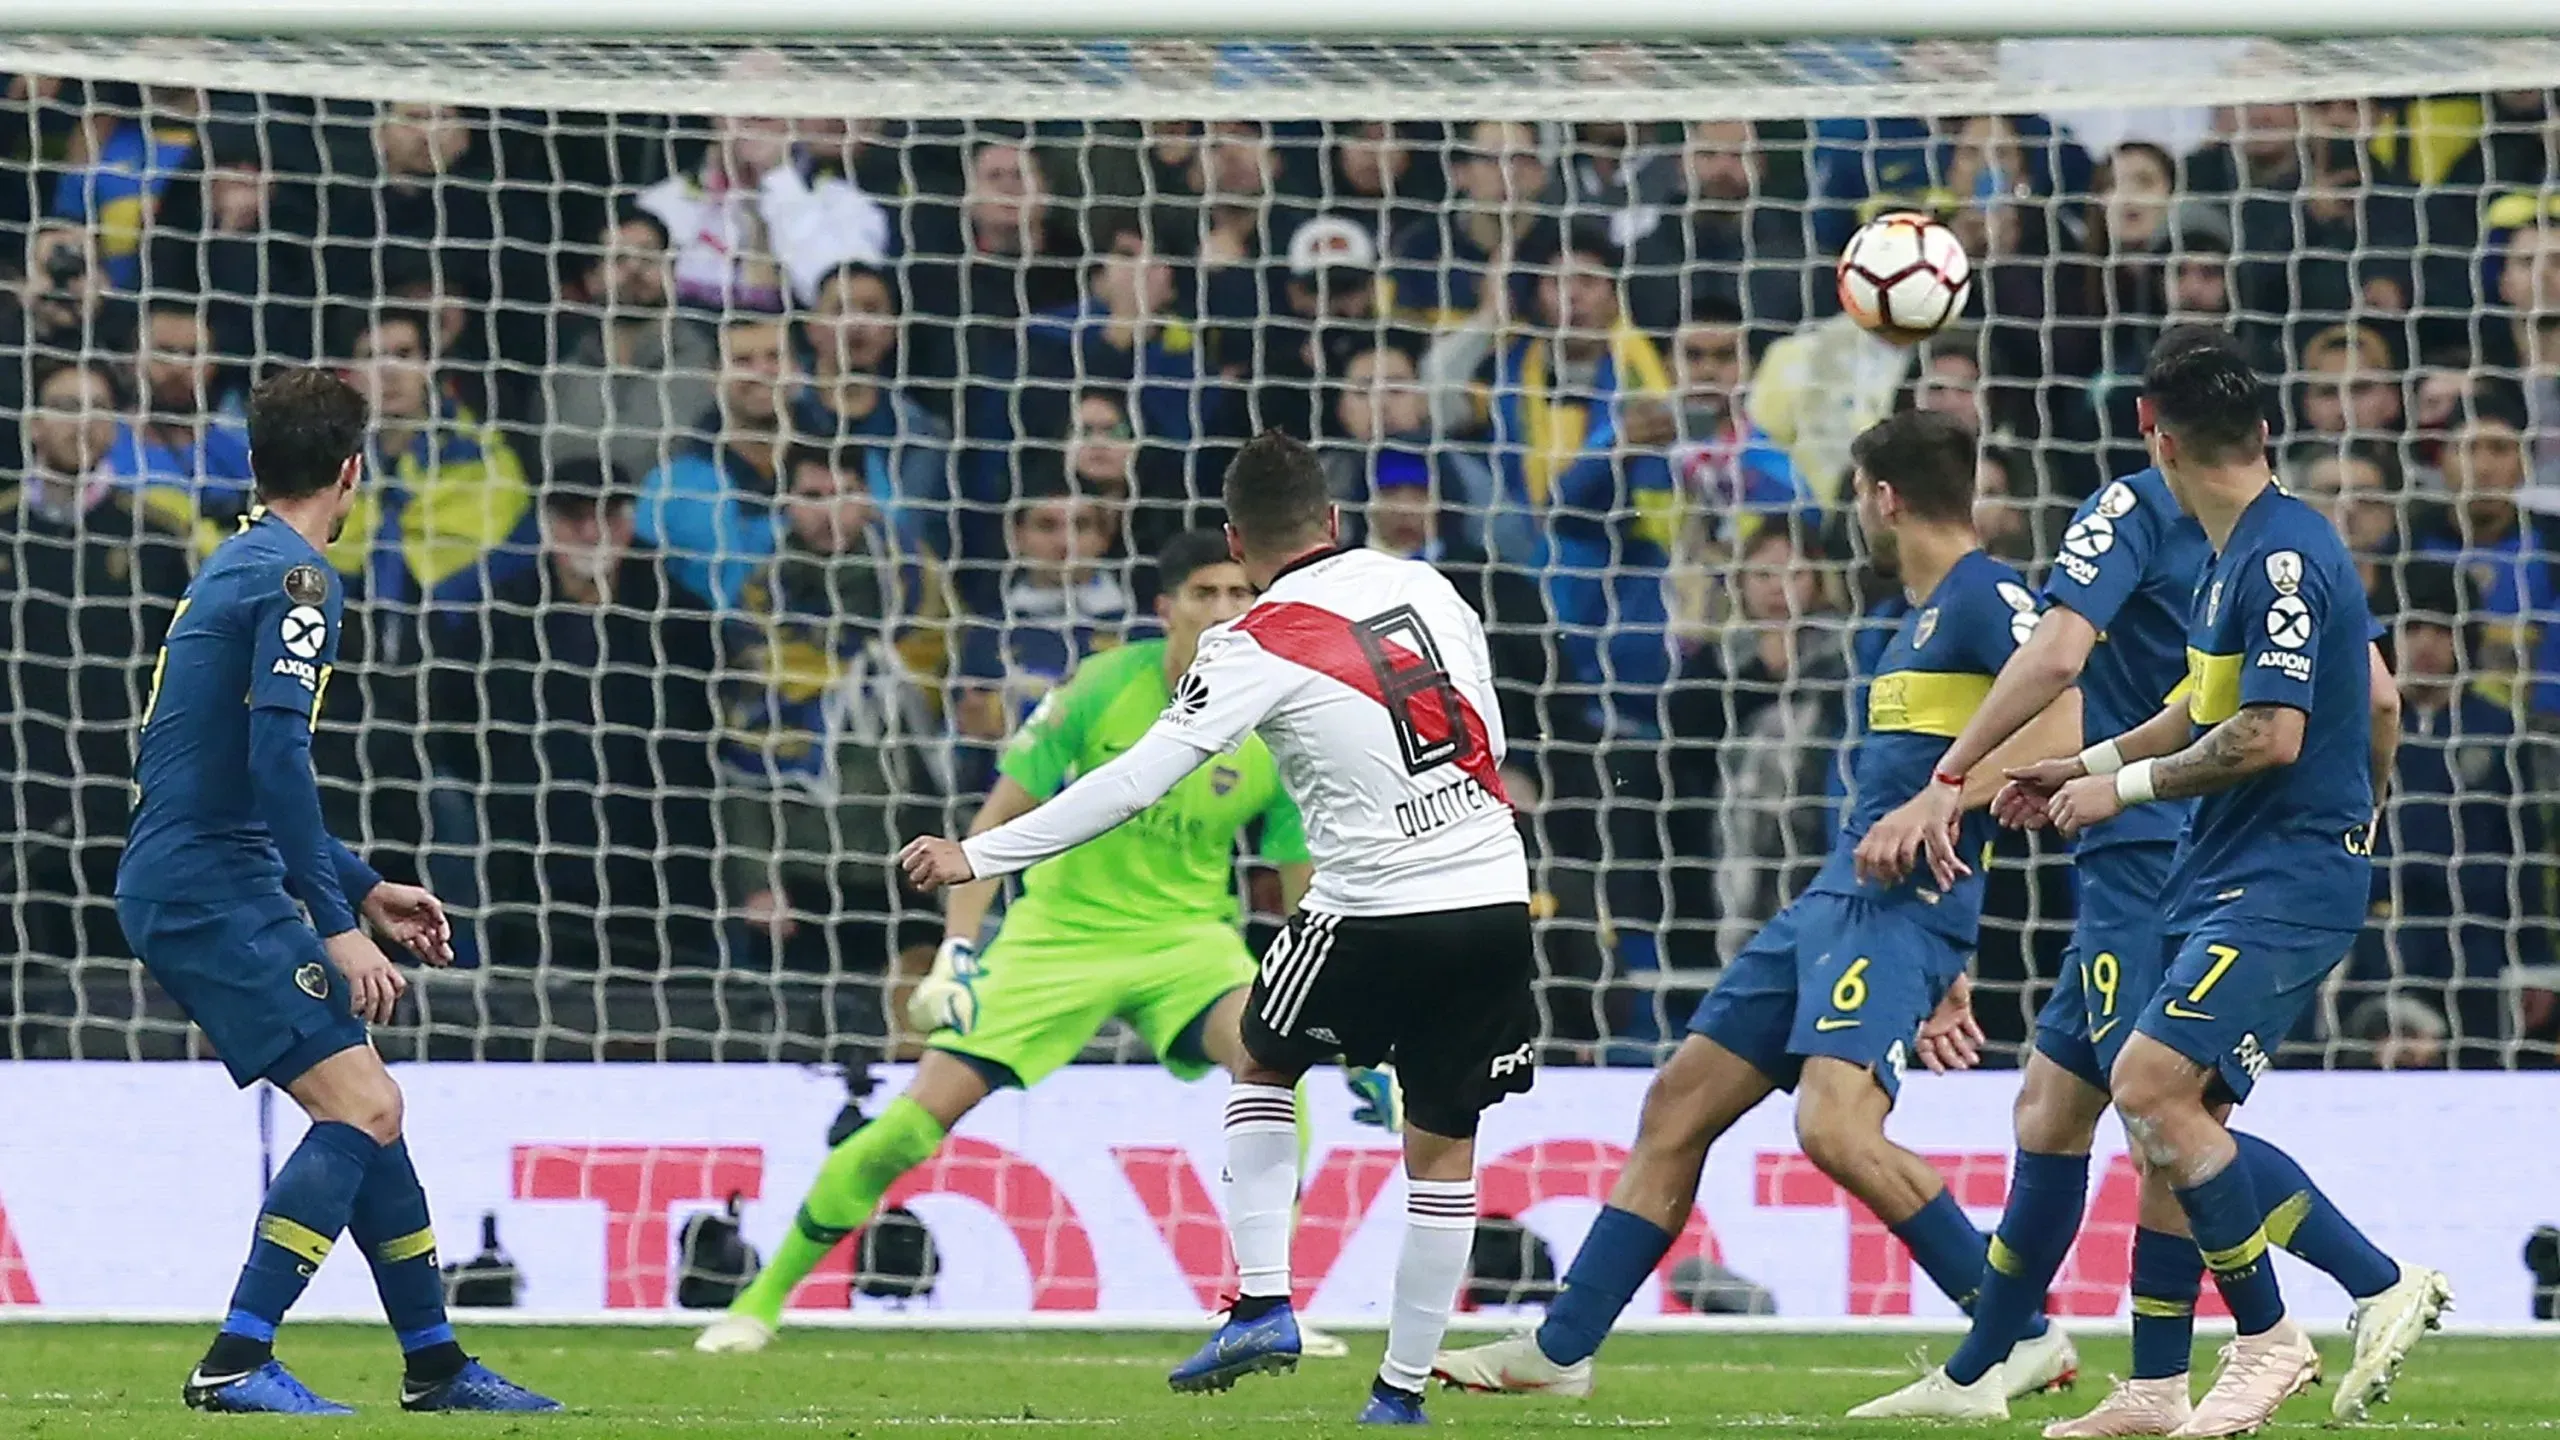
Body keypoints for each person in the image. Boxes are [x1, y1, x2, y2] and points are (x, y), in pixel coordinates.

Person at [1849, 327, 2449, 1429]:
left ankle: (2343, 1296)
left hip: (2204, 861)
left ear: (2147, 428)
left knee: (2158, 1100)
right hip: (2206, 854)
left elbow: (2233, 720)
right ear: (2265, 425)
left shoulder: (2228, 541)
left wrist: (2007, 781)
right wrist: (2081, 765)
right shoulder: (2236, 551)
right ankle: (2106, 1376)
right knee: (2066, 1103)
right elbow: (2359, 699)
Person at [1431, 409, 2085, 1402]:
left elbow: (2069, 721)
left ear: (1882, 497)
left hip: (1897, 914)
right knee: (1677, 1103)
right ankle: (1559, 1351)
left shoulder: (1988, 594)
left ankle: (2021, 1329)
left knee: (1834, 1130)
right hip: (1837, 903)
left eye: (1858, 499)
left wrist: (1942, 806)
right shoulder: (1911, 615)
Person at [898, 431, 1540, 1424]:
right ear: (1332, 520)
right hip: (1494, 894)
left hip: (1372, 906)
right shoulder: (1430, 588)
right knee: (1443, 1149)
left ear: (1237, 544)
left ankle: (1260, 1300)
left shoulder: (1258, 637)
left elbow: (1131, 779)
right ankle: (1398, 1397)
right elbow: (1483, 729)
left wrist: (980, 854)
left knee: (1261, 1059)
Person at [697, 529, 1384, 1354]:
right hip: (1057, 937)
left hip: (1188, 944)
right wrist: (957, 951)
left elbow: (1303, 884)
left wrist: (1338, 1017)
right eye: (1207, 594)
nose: (1227, 610)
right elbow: (994, 827)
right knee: (912, 1128)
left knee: (1276, 1060)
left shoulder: (1277, 723)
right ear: (1165, 609)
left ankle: (1265, 1306)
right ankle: (759, 1305)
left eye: (1242, 595)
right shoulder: (1098, 690)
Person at [111, 368, 555, 1415]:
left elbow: (234, 775)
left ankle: (435, 1363)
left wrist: (360, 891)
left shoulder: (244, 563)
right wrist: (332, 922)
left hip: (206, 871)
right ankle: (236, 1357)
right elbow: (276, 765)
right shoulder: (301, 582)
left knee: (374, 1110)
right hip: (210, 887)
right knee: (360, 1105)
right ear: (353, 471)